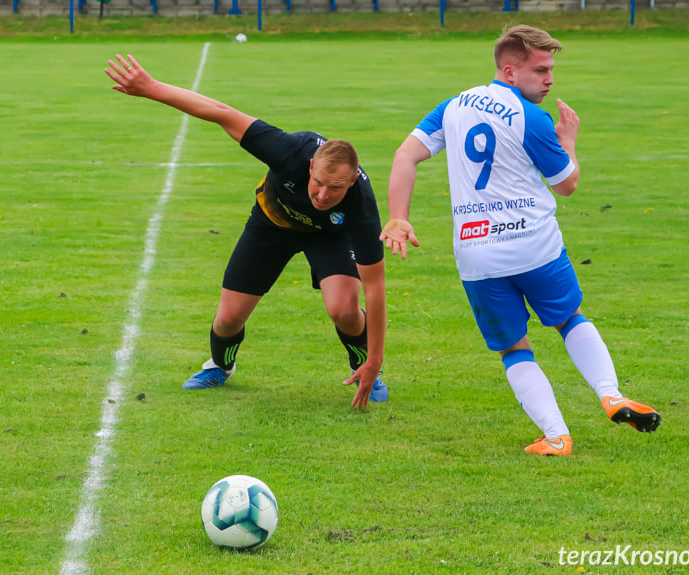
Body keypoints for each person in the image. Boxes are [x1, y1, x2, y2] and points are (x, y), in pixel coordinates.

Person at [381, 25, 661, 454]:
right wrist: (568, 141)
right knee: (570, 319)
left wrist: (399, 218)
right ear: (510, 71)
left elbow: (405, 155)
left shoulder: (452, 106)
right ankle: (610, 394)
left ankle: (556, 437)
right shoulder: (531, 117)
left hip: (476, 253)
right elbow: (567, 184)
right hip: (535, 246)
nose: (550, 79)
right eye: (541, 70)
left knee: (514, 348)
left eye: (551, 70)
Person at [105, 54, 388, 408]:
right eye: (318, 183)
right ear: (310, 166)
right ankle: (221, 366)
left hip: (330, 236)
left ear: (350, 182)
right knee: (228, 318)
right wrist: (151, 88)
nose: (322, 194)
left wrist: (375, 359)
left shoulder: (361, 206)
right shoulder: (288, 151)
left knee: (345, 309)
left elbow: (375, 290)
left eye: (335, 189)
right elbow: (222, 111)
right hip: (273, 223)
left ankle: (363, 366)